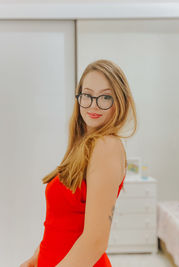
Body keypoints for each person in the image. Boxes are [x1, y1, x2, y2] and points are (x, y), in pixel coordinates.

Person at [20, 59, 137, 267]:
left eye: (105, 97)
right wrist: (34, 260)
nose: (93, 104)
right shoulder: (82, 146)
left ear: (120, 102)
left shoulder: (106, 146)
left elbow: (95, 241)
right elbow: (60, 225)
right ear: (79, 98)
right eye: (88, 95)